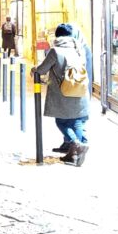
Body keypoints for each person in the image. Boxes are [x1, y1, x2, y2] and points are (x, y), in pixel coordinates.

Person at [30, 23, 90, 167]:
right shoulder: (79, 49)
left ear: (57, 36)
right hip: (80, 90)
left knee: (61, 121)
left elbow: (42, 69)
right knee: (76, 121)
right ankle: (73, 152)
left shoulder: (55, 51)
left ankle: (76, 144)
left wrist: (34, 69)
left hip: (65, 93)